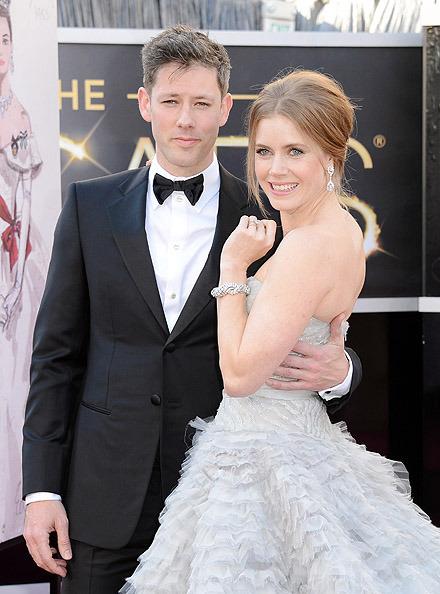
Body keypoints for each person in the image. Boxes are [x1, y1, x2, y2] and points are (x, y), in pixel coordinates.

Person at [22, 27, 361, 592]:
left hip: (228, 501)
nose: (186, 119)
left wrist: (342, 373)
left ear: (226, 109)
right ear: (144, 104)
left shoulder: (275, 212)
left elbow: (326, 328)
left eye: (202, 103)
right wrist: (41, 491)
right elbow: (55, 358)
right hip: (105, 497)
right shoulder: (88, 207)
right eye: (172, 101)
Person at [121, 68, 440, 593]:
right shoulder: (336, 227)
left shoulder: (309, 244)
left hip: (265, 464)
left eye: (296, 151)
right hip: (289, 447)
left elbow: (242, 377)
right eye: (264, 151)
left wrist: (231, 273)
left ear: (332, 155)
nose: (274, 169)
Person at [0, 0, 43, 542]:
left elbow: (27, 195)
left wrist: (12, 285)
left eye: (6, 40)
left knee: (15, 387)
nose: (1, 53)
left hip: (12, 260)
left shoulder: (16, 116)